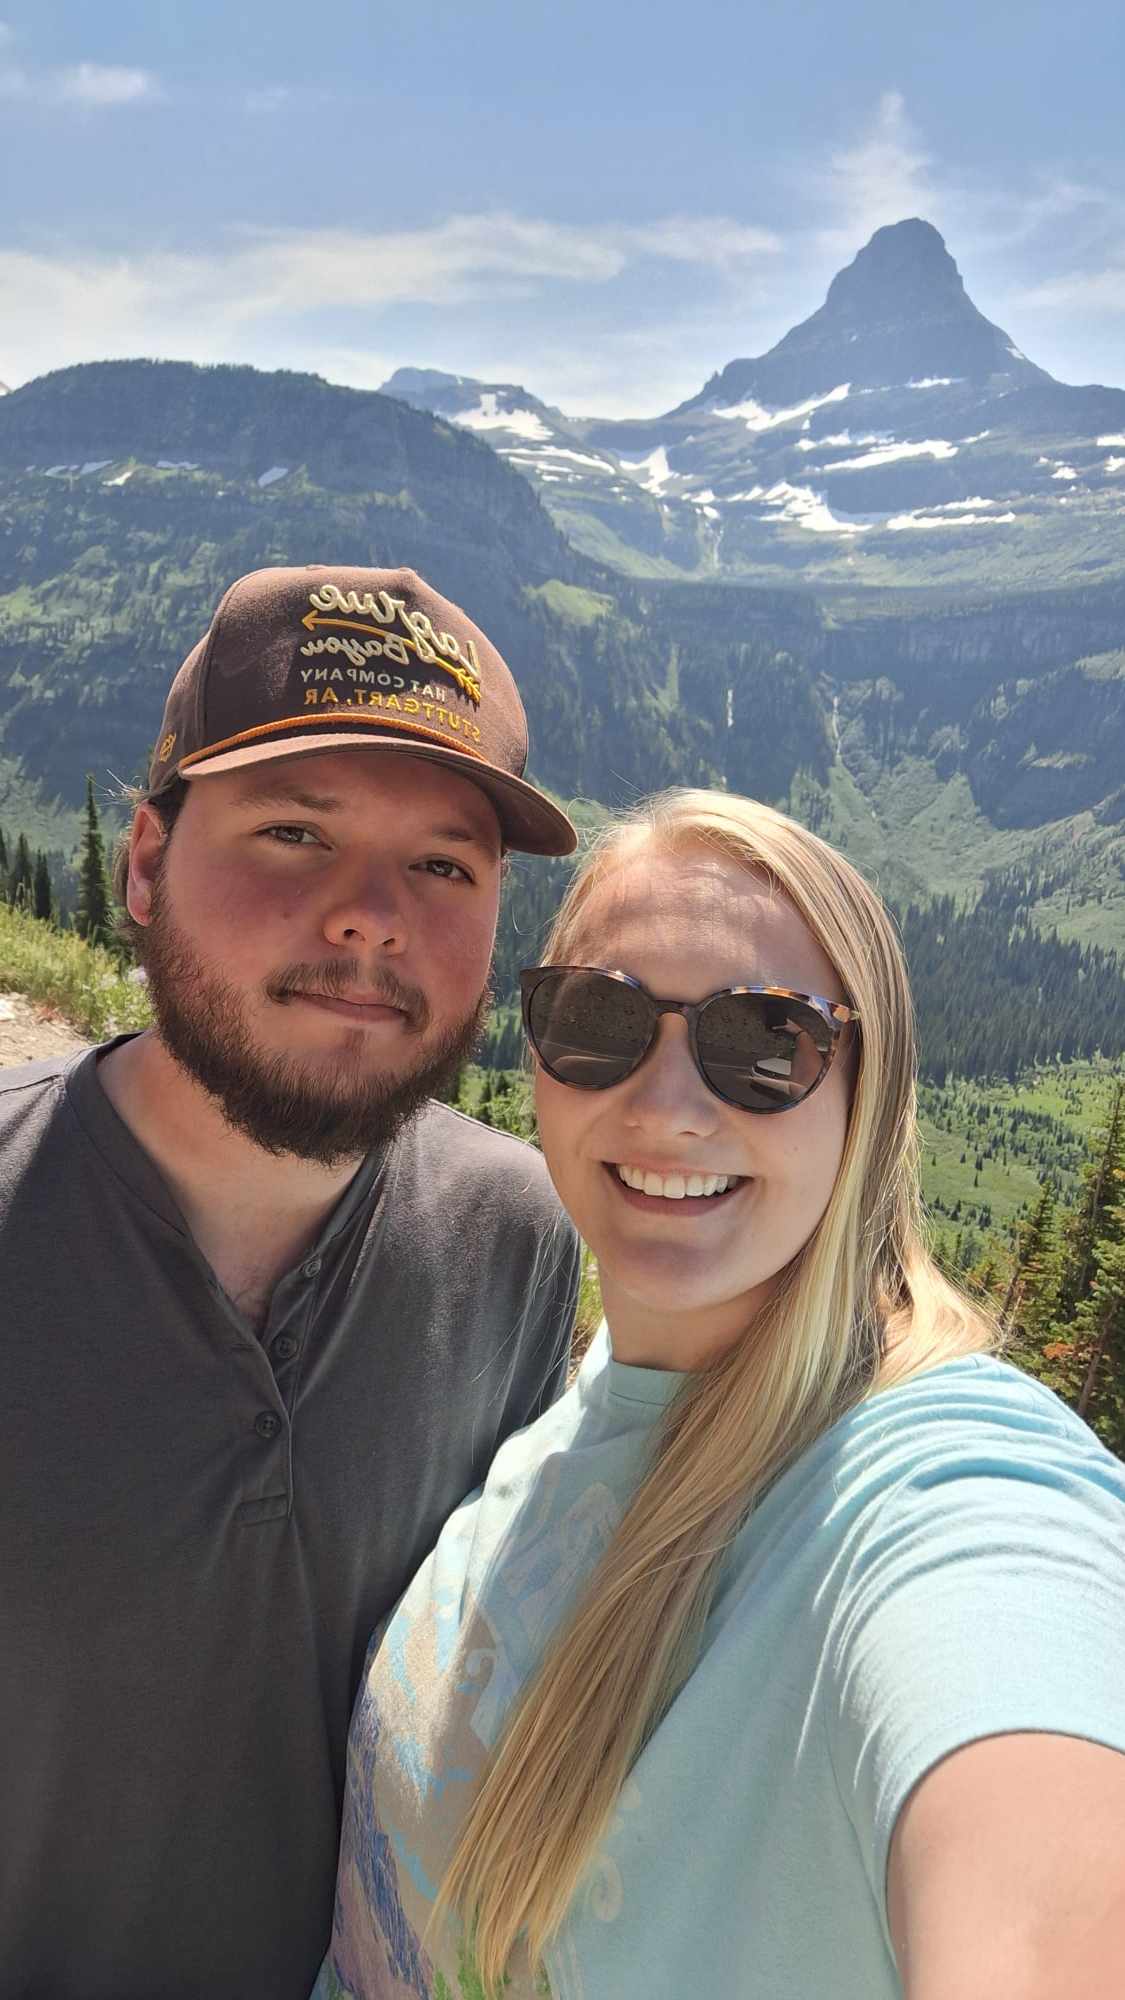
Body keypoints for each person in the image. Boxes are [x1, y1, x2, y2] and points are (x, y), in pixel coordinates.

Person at [316, 787, 1125, 2000]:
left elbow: (1028, 1758)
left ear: (867, 1093)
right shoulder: (598, 1389)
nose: (665, 1107)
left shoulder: (938, 1487)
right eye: (599, 1020)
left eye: (764, 1042)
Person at [0, 566, 582, 2000]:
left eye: (442, 866)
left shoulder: (517, 1239)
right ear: (145, 862)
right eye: (295, 833)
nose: (370, 917)